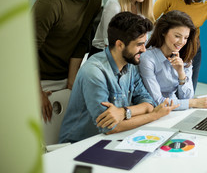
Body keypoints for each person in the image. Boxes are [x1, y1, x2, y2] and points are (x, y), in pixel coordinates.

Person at [59, 12, 178, 143]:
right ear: (120, 44)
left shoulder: (131, 64)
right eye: (139, 44)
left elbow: (148, 103)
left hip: (111, 140)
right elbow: (109, 127)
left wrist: (124, 112)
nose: (144, 50)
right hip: (78, 145)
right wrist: (154, 115)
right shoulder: (93, 72)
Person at [32, 0, 110, 123]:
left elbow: (82, 40)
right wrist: (37, 91)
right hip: (40, 80)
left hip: (65, 76)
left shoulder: (94, 0)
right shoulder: (49, 4)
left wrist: (72, 78)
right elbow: (28, 50)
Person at [139, 10, 207, 110]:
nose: (181, 42)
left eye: (186, 37)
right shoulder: (147, 59)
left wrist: (181, 73)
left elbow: (188, 97)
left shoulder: (184, 56)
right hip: (155, 112)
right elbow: (158, 102)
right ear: (163, 32)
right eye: (177, 36)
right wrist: (194, 102)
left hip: (176, 110)